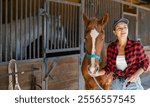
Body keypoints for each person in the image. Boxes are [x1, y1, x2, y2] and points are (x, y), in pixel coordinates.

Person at [89, 17, 149, 90]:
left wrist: (136, 75)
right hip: (116, 84)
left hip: (132, 82)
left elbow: (145, 63)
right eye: (119, 28)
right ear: (114, 32)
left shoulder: (136, 45)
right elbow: (109, 68)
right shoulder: (111, 47)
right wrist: (97, 73)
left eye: (125, 27)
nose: (122, 29)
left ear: (127, 29)